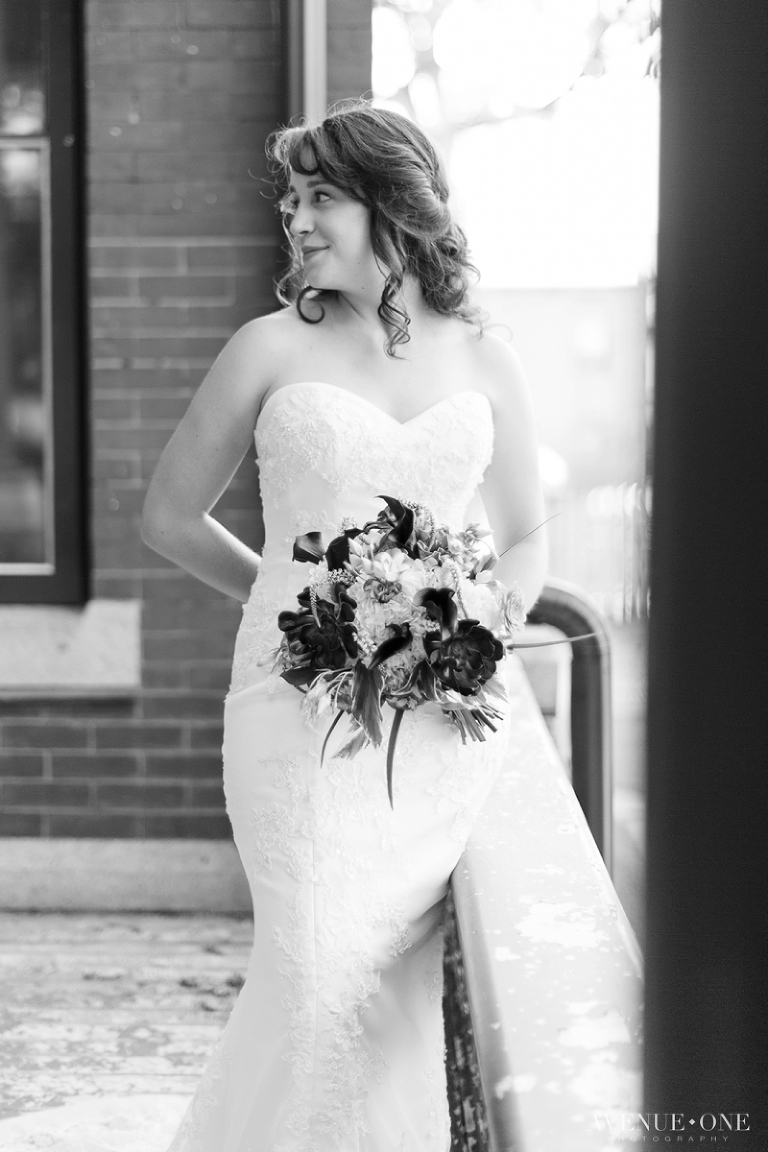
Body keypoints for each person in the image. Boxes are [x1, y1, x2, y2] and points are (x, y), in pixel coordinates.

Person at [141, 100, 547, 1152]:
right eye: (292, 198)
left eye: (321, 195)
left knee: (394, 992)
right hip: (291, 716)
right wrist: (297, 607)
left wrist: (455, 629)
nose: (298, 219)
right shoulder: (266, 348)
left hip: (438, 725)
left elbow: (529, 542)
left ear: (392, 206)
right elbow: (169, 517)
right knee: (316, 963)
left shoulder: (487, 359)